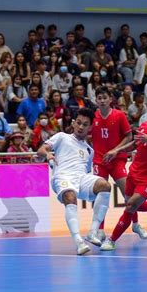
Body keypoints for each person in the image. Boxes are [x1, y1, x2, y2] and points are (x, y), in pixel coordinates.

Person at [100, 95, 147, 251]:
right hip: (133, 172)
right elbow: (134, 144)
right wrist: (116, 151)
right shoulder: (145, 125)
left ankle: (111, 240)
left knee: (130, 205)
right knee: (131, 204)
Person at [37, 108, 112, 255]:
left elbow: (87, 172)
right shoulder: (62, 137)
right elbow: (40, 150)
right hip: (62, 176)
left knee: (105, 185)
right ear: (73, 123)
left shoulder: (90, 150)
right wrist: (48, 155)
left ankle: (93, 232)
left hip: (81, 178)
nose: (81, 127)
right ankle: (78, 242)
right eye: (78, 123)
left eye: (85, 124)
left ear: (90, 127)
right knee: (70, 196)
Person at [90, 87, 147, 241]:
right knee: (99, 197)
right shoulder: (92, 117)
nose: (102, 100)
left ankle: (135, 224)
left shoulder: (119, 115)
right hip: (99, 162)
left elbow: (129, 136)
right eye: (99, 98)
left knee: (129, 195)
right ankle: (100, 230)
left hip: (117, 160)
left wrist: (115, 151)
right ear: (96, 100)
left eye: (104, 98)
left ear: (110, 99)